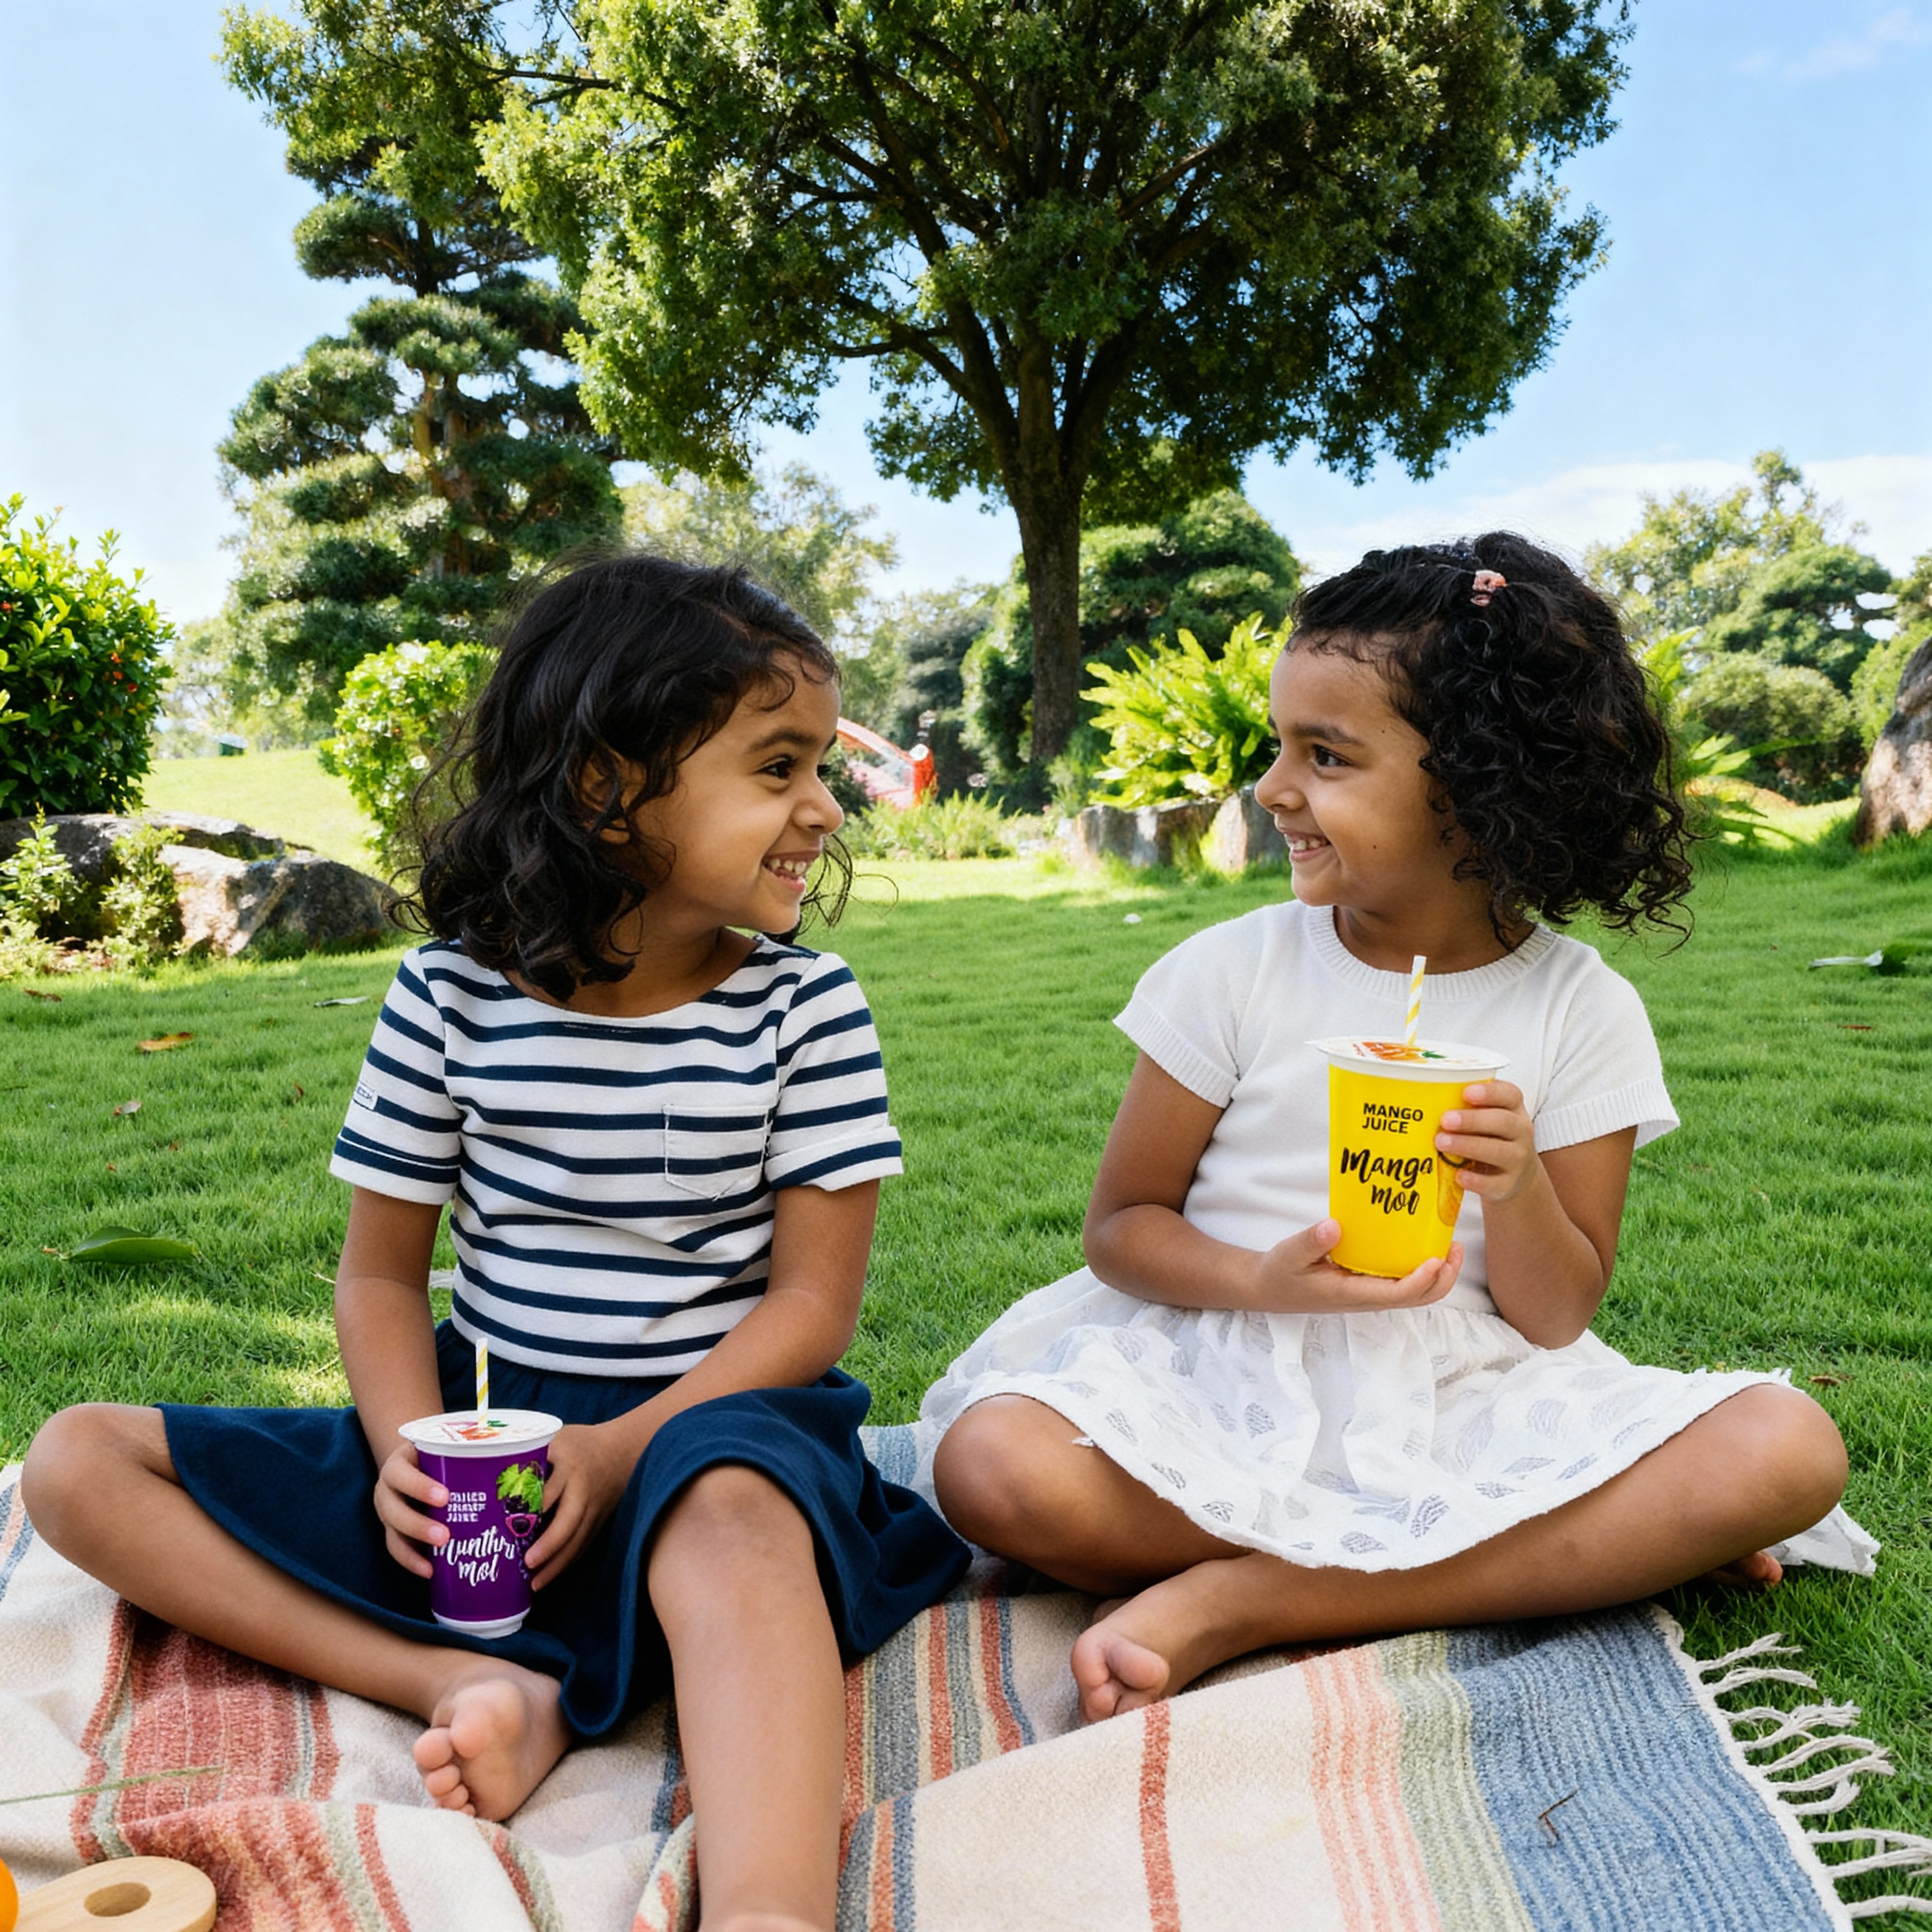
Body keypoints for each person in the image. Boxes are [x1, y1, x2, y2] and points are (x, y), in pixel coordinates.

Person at [24, 555, 969, 1932]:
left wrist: (618, 1451)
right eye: (778, 767)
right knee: (77, 1461)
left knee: (732, 1530)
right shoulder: (449, 994)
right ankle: (467, 1685)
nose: (826, 808)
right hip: (492, 1439)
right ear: (606, 786)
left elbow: (812, 1312)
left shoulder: (805, 1010)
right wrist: (413, 1449)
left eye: (823, 766)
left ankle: (769, 1908)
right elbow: (379, 1274)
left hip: (717, 1431)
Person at [923, 535, 1874, 1726]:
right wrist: (1265, 1280)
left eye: (1323, 756)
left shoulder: (1577, 1007)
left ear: (1481, 784)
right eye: (1282, 745)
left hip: (1457, 1393)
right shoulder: (1230, 971)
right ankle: (1551, 1549)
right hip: (1218, 1364)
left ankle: (1255, 1597)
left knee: (1781, 1449)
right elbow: (1120, 1228)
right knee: (994, 1466)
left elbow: (1556, 1311)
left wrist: (1517, 1185)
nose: (1273, 789)